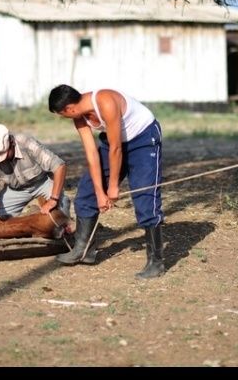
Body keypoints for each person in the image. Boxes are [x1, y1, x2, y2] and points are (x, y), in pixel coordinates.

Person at [48, 85, 165, 278]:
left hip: (143, 140)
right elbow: (92, 155)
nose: (65, 118)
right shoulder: (79, 118)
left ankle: (156, 262)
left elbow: (116, 150)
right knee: (86, 195)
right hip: (113, 143)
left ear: (69, 109)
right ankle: (84, 250)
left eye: (62, 114)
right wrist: (100, 193)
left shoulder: (106, 101)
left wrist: (112, 187)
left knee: (145, 198)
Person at [0, 124, 71, 223]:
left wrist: (53, 199)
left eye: (3, 154)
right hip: (15, 190)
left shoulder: (25, 142)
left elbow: (59, 166)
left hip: (42, 183)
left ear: (11, 142)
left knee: (61, 207)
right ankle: (32, 214)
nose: (2, 159)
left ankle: (65, 226)